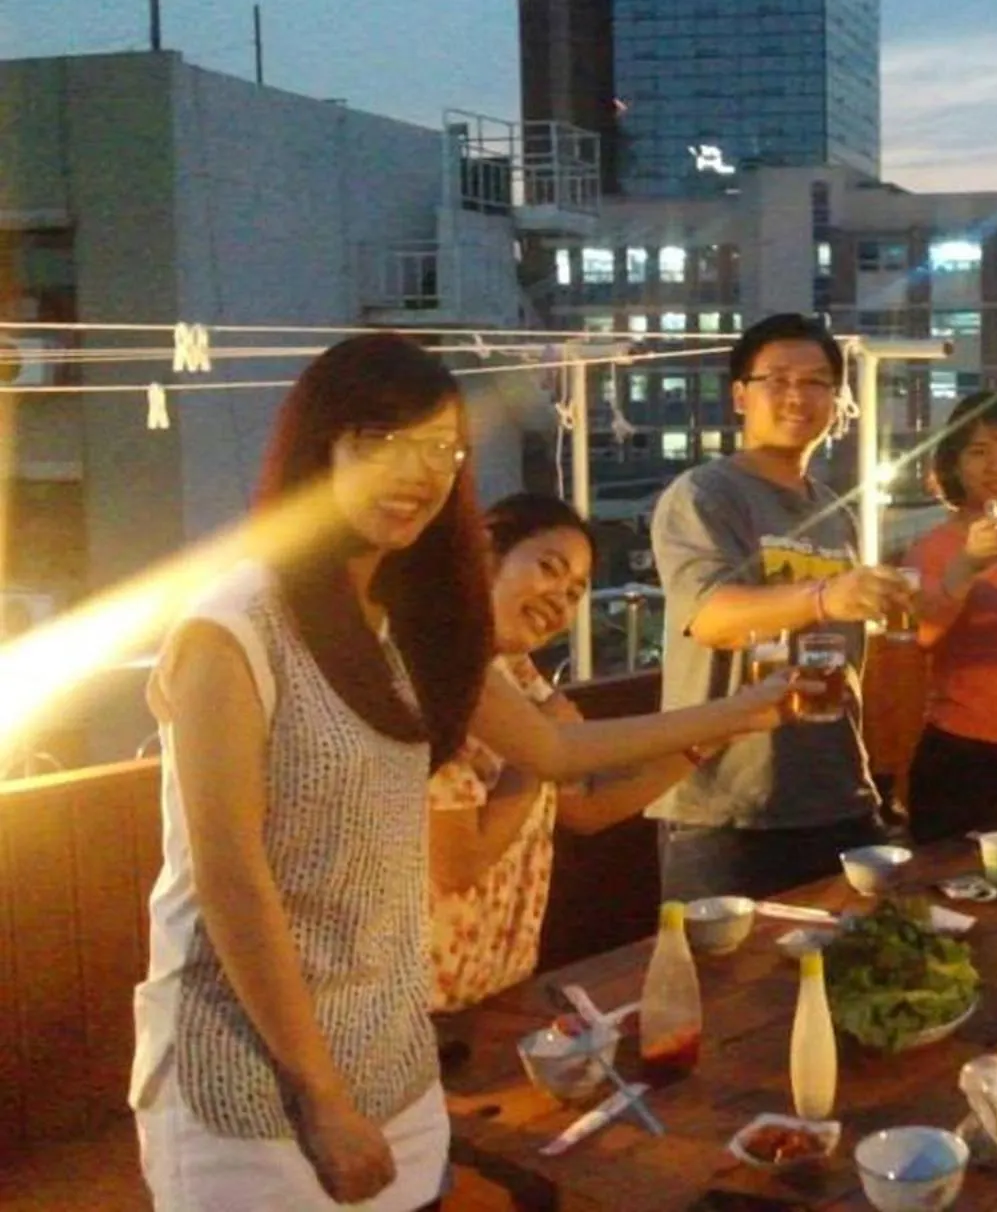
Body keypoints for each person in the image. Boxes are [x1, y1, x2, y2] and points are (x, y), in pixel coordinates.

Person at [131, 333, 798, 1211]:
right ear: (319, 448)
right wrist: (320, 1095)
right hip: (251, 1064)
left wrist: (746, 710)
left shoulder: (407, 623)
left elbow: (555, 754)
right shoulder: (232, 627)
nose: (416, 472)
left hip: (390, 1045)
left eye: (440, 449)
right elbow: (230, 875)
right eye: (381, 441)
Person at [646, 312, 914, 899]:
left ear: (836, 401)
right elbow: (709, 617)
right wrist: (825, 596)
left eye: (816, 382)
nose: (798, 396)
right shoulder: (704, 494)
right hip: (726, 808)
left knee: (862, 954)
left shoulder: (835, 511)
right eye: (778, 380)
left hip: (837, 793)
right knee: (722, 963)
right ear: (740, 395)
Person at [428, 493, 714, 1014]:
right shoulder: (432, 679)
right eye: (548, 569)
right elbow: (457, 866)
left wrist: (704, 744)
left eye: (576, 592)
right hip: (425, 1003)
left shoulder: (516, 673)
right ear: (485, 552)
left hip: (502, 983)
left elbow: (583, 808)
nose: (560, 601)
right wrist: (537, 752)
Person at [902, 392, 997, 843]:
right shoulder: (932, 548)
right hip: (961, 754)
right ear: (953, 463)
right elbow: (920, 635)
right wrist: (967, 565)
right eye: (978, 451)